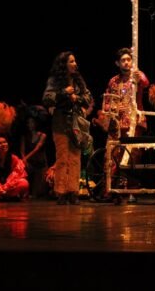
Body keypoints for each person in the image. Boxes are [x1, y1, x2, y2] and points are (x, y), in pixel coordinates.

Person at [43, 51, 93, 205]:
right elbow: (47, 98)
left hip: (76, 123)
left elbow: (88, 98)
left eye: (75, 61)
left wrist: (76, 98)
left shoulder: (78, 80)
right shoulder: (55, 81)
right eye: (71, 61)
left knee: (75, 158)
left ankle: (73, 192)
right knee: (63, 158)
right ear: (63, 64)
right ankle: (61, 192)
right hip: (61, 123)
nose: (75, 64)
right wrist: (63, 93)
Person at [103, 47, 150, 139]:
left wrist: (139, 76)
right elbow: (106, 103)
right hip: (116, 124)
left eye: (129, 59)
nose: (126, 62)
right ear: (117, 63)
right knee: (115, 147)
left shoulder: (137, 76)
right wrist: (115, 108)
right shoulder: (113, 81)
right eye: (123, 60)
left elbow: (146, 83)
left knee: (132, 147)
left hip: (134, 122)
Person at [20, 116, 49, 198]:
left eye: (32, 122)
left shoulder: (42, 135)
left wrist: (25, 158)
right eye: (28, 123)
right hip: (30, 162)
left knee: (38, 192)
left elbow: (37, 148)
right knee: (24, 170)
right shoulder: (25, 136)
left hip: (40, 163)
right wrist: (24, 160)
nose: (30, 124)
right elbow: (22, 150)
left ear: (36, 123)